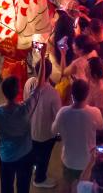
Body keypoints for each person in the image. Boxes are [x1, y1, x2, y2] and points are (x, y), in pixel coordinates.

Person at [53, 78, 103, 192]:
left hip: (69, 159)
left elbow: (53, 130)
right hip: (88, 161)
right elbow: (101, 126)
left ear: (72, 94)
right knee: (86, 188)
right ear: (87, 94)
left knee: (67, 185)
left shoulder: (63, 112)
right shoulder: (95, 112)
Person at [0, 75, 38, 193]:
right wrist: (42, 64)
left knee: (6, 186)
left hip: (7, 156)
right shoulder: (25, 108)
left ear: (3, 92)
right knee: (23, 186)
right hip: (25, 153)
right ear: (17, 91)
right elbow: (38, 89)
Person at [24, 56, 61, 189]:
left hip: (30, 129)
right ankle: (40, 178)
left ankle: (33, 166)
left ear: (36, 70)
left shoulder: (29, 82)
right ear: (49, 73)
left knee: (33, 151)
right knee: (44, 157)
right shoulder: (53, 93)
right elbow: (58, 116)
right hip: (45, 134)